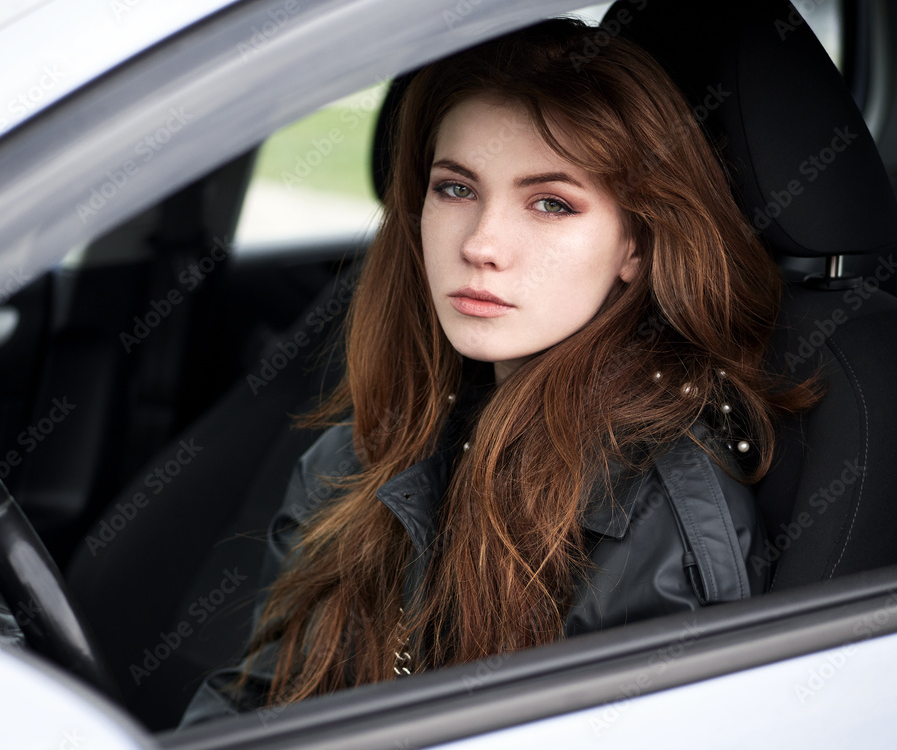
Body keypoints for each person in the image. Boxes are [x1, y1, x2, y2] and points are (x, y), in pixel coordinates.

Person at [179, 17, 817, 726]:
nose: (482, 243)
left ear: (633, 245)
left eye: (550, 203)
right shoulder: (365, 449)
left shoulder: (650, 514)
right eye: (456, 189)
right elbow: (257, 706)